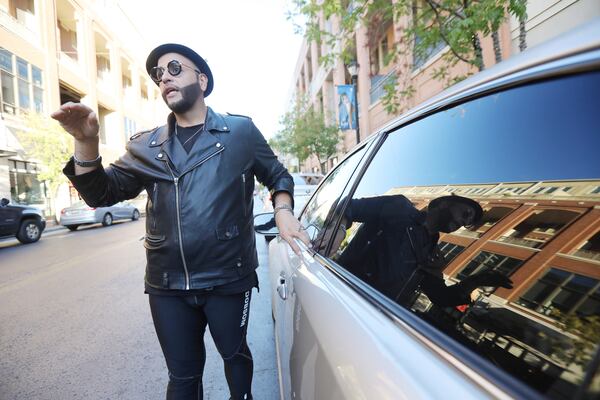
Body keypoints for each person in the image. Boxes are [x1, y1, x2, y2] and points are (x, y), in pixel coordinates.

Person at [51, 43, 310, 400]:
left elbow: (279, 175)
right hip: (167, 285)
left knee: (235, 356)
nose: (164, 78)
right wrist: (86, 142)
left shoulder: (240, 133)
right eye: (159, 75)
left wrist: (283, 211)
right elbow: (101, 194)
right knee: (183, 378)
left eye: (174, 68)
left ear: (201, 80)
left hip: (228, 278)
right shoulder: (146, 146)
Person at [333, 194, 513, 307]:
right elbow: (348, 206)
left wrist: (477, 280)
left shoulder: (433, 256)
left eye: (467, 223)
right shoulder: (399, 207)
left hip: (379, 322)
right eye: (465, 214)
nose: (463, 223)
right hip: (342, 297)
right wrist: (337, 230)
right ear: (444, 203)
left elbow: (441, 297)